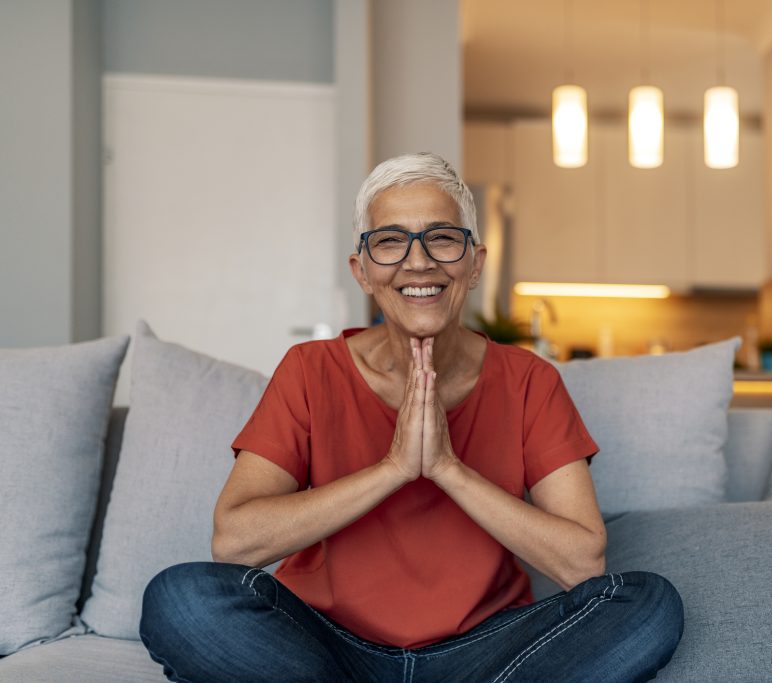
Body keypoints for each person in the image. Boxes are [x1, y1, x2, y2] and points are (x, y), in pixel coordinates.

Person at [139, 152, 683, 682]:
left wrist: (447, 468)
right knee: (182, 598)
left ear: (474, 264)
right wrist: (395, 468)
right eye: (390, 241)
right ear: (363, 271)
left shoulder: (529, 381)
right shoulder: (310, 370)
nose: (418, 261)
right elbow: (234, 541)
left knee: (648, 603)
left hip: (483, 649)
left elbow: (581, 563)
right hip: (328, 644)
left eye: (442, 237)